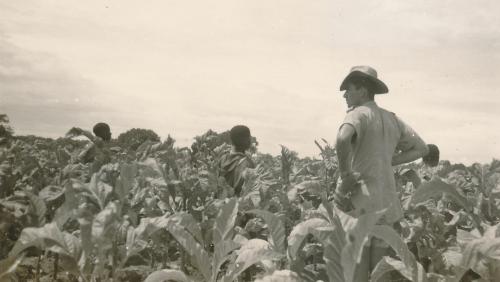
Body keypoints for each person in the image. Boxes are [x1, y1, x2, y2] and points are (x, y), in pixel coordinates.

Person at [335, 66, 429, 281]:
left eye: (348, 89)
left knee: (355, 274)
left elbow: (342, 139)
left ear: (363, 90)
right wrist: (388, 159)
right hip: (386, 204)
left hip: (359, 204)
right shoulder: (392, 119)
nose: (344, 94)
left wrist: (346, 174)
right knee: (379, 275)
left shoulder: (359, 114)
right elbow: (422, 148)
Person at [218, 125, 255, 197]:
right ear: (247, 141)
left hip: (219, 204)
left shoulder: (222, 159)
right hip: (237, 206)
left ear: (232, 140)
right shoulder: (249, 164)